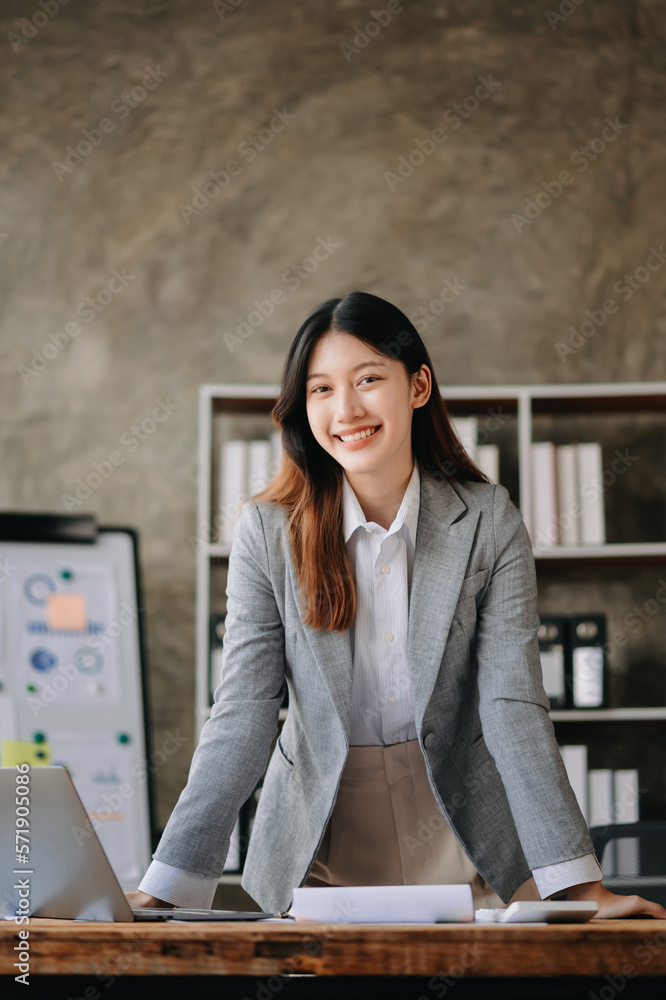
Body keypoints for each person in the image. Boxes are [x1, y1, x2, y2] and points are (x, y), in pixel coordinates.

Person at [127, 291, 665, 919]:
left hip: (460, 827)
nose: (346, 409)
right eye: (321, 389)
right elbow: (244, 710)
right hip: (321, 837)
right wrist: (170, 878)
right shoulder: (268, 532)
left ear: (417, 386)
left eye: (368, 379)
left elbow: (512, 704)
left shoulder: (488, 522)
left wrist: (580, 886)